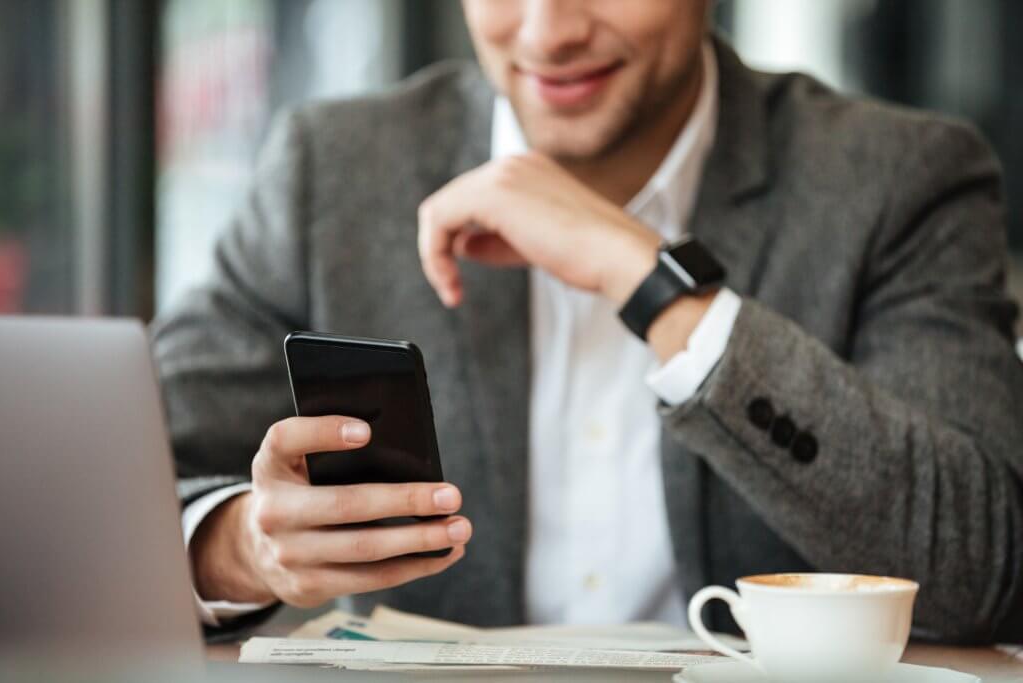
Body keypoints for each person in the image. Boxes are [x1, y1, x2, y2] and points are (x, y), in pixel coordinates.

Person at [154, 0, 1023, 642]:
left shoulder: (900, 179)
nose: (547, 31)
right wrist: (245, 549)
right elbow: (130, 479)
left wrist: (648, 280)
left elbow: (981, 566)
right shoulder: (334, 169)